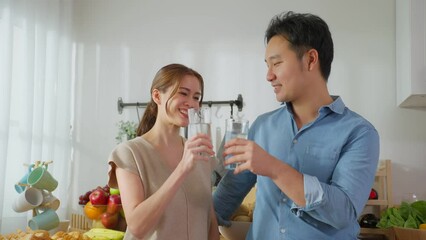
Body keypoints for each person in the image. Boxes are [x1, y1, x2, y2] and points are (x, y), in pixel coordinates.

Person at [213, 11, 380, 240]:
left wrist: (273, 168)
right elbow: (227, 195)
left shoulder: (359, 133)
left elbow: (343, 212)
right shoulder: (262, 127)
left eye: (277, 63)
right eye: (267, 65)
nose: (269, 76)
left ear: (311, 59)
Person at [108, 63, 220, 240]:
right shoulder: (129, 153)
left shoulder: (200, 153)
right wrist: (182, 169)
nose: (191, 103)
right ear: (157, 96)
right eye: (183, 93)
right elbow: (137, 227)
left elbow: (210, 219)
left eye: (196, 97)